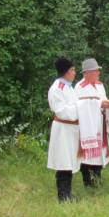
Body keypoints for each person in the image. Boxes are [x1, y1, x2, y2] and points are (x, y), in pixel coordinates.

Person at [75, 58, 109, 189]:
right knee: (88, 153)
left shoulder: (100, 85)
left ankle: (97, 178)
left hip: (100, 123)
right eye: (96, 71)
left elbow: (104, 99)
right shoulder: (79, 87)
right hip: (87, 126)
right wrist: (98, 104)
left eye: (98, 71)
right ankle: (87, 181)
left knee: (99, 153)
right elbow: (79, 106)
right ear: (87, 72)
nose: (98, 73)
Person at [47, 57, 80, 202]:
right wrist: (80, 108)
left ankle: (68, 193)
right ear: (65, 72)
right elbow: (61, 111)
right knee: (63, 162)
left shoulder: (68, 86)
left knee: (69, 161)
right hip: (63, 129)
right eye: (72, 70)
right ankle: (63, 196)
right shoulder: (57, 89)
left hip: (71, 129)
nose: (74, 72)